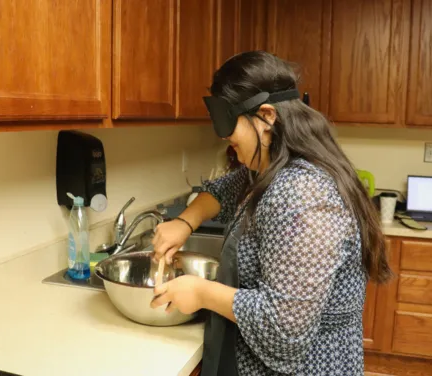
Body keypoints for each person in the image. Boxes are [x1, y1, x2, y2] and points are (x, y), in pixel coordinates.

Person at [150, 51, 391, 376]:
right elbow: (221, 190)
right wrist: (184, 221)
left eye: (227, 120)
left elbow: (284, 328)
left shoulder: (301, 194)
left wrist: (200, 291)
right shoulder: (269, 168)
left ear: (266, 116)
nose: (222, 136)